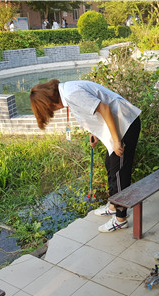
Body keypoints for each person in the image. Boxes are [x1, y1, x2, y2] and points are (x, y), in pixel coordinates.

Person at [30, 80, 141, 233]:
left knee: (119, 172)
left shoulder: (71, 93)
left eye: (50, 110)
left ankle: (121, 218)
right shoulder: (68, 90)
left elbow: (104, 108)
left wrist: (116, 140)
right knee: (110, 164)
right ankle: (113, 205)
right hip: (118, 123)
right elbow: (95, 110)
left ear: (50, 102)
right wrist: (94, 132)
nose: (54, 111)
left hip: (125, 123)